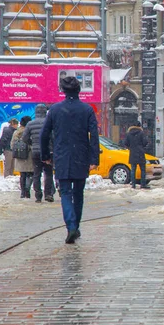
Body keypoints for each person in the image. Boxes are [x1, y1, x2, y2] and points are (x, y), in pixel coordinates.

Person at [41, 76, 99, 244]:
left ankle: (71, 227)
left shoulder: (55, 110)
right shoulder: (87, 110)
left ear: (63, 91)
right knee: (78, 193)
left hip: (62, 157)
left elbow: (45, 134)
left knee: (65, 193)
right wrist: (94, 158)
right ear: (78, 90)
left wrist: (46, 155)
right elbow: (94, 136)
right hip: (81, 157)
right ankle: (75, 226)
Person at [23, 104, 55, 203]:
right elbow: (54, 137)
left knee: (37, 173)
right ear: (45, 112)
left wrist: (32, 144)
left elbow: (24, 138)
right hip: (48, 151)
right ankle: (48, 194)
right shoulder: (49, 123)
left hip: (35, 152)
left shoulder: (30, 124)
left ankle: (38, 195)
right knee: (48, 173)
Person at [123, 121, 150, 189]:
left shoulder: (129, 134)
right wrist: (142, 147)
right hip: (140, 153)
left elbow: (125, 143)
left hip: (133, 153)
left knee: (133, 170)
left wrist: (131, 147)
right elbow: (145, 142)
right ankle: (143, 184)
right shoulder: (141, 133)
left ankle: (133, 184)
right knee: (143, 169)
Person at [11, 116, 33, 198]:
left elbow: (12, 145)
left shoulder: (16, 132)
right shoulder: (30, 132)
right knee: (30, 174)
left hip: (19, 156)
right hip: (29, 156)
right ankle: (27, 188)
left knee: (22, 175)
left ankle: (23, 192)